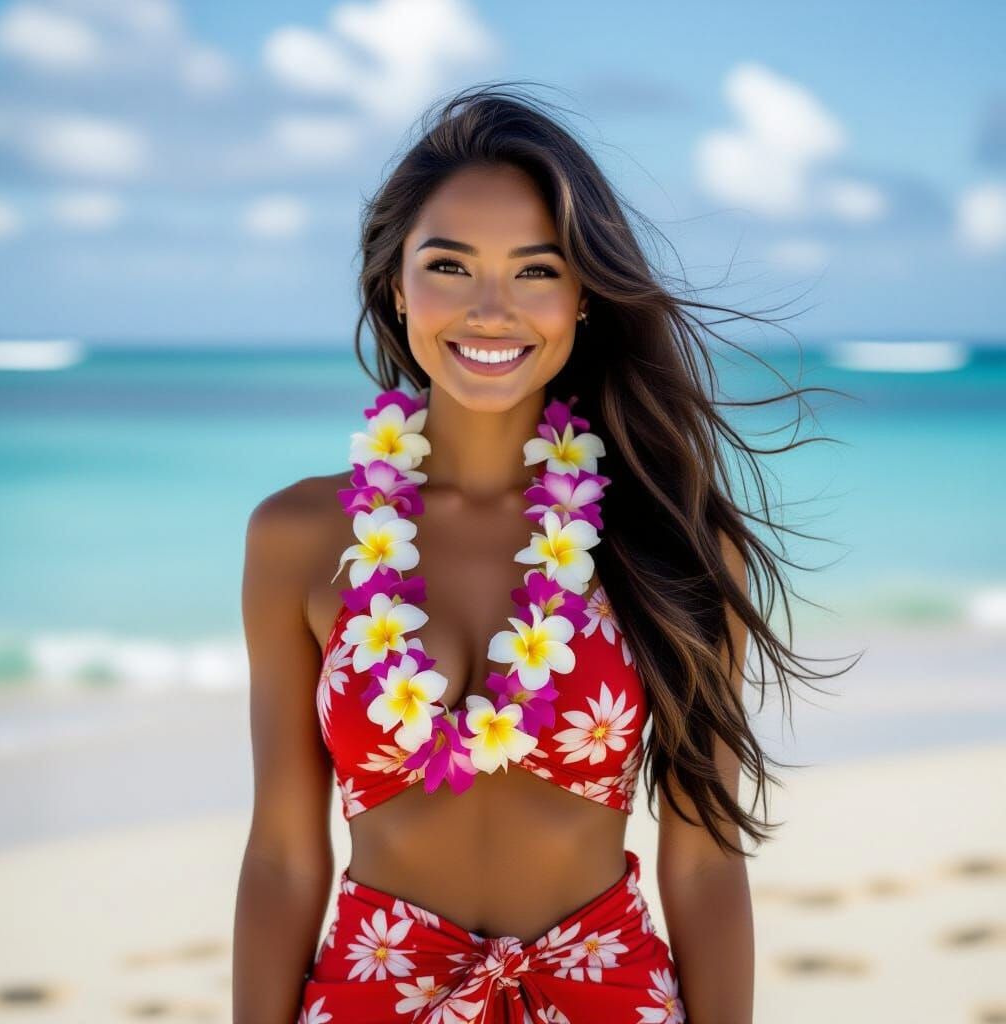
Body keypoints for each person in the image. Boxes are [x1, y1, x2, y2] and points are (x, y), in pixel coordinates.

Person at [233, 83, 850, 1024]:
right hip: (371, 998)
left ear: (585, 295)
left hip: (610, 994)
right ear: (395, 286)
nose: (491, 309)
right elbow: (282, 850)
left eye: (535, 270)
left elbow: (705, 857)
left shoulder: (670, 539)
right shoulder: (298, 539)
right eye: (449, 265)